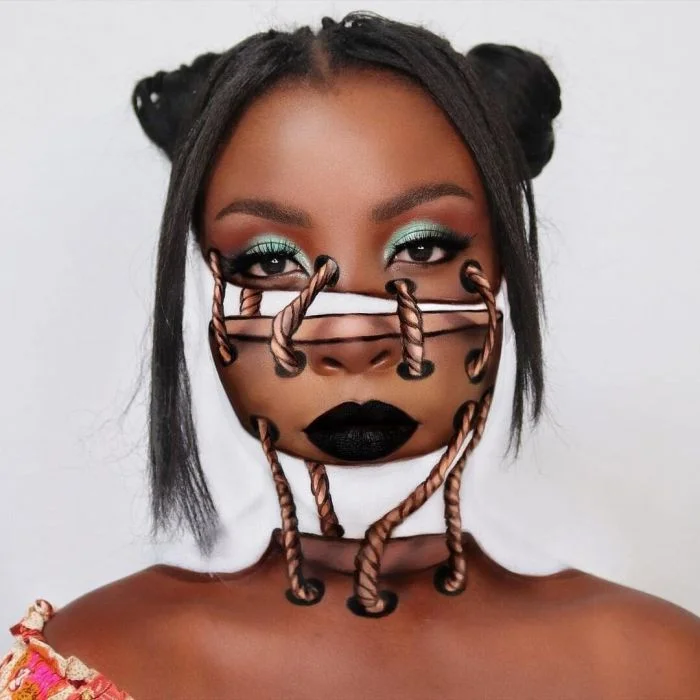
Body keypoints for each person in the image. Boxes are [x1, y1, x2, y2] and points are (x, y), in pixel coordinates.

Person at [2, 11, 699, 700]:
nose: (354, 340)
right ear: (203, 286)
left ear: (503, 268)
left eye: (423, 247)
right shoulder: (92, 660)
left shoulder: (661, 666)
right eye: (269, 260)